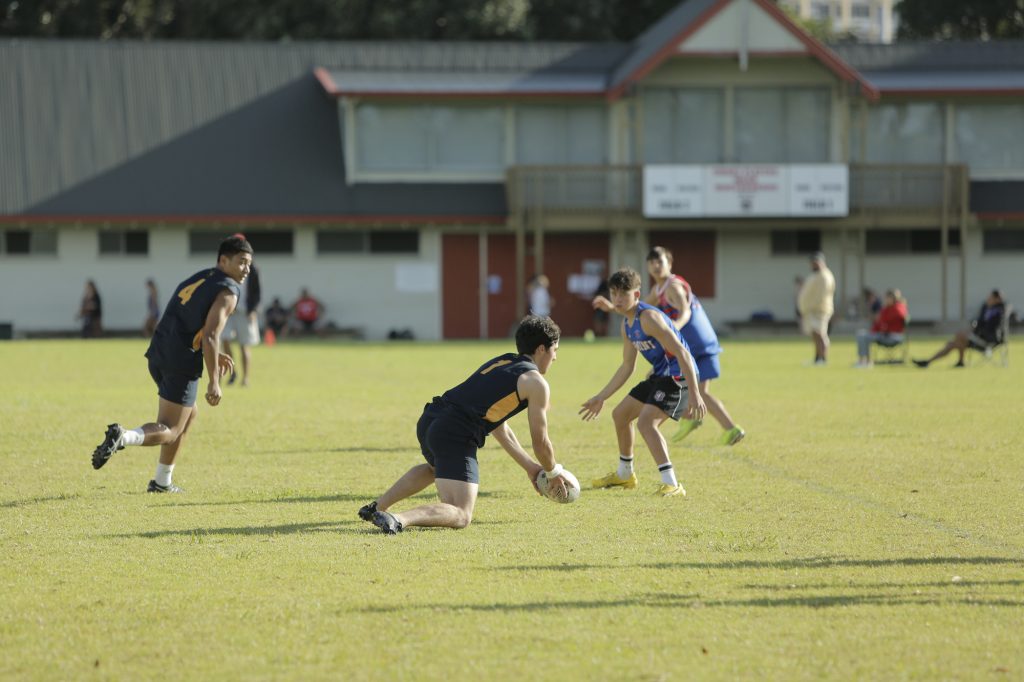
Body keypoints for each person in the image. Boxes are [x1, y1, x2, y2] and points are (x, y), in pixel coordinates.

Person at [358, 315, 568, 534]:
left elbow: (498, 426)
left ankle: (378, 508)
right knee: (461, 513)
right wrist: (553, 472)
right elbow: (541, 441)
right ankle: (398, 519)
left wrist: (532, 468)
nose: (555, 358)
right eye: (556, 350)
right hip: (454, 431)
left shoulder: (504, 361)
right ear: (542, 349)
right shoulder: (535, 383)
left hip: (432, 418)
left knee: (435, 469)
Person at [90, 235, 253, 493]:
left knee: (190, 414)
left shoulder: (201, 277)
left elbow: (191, 322)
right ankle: (123, 436)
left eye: (250, 264)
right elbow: (211, 334)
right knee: (171, 428)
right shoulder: (228, 291)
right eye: (242, 262)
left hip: (159, 351)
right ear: (224, 260)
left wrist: (213, 351)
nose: (246, 269)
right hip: (180, 360)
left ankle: (162, 482)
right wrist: (214, 381)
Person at [580, 267, 707, 497]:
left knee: (646, 423)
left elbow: (683, 353)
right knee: (620, 415)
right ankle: (624, 474)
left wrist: (696, 394)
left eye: (623, 294)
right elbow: (627, 366)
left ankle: (672, 483)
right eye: (614, 294)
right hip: (660, 376)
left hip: (679, 377)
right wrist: (601, 397)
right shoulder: (627, 325)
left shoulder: (648, 318)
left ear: (636, 295)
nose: (617, 299)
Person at [914, 290, 1007, 368]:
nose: (988, 299)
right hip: (980, 337)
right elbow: (980, 322)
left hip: (989, 340)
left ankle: (931, 361)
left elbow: (991, 329)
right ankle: (931, 361)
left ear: (997, 299)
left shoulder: (999, 312)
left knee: (958, 338)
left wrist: (975, 330)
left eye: (990, 298)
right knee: (954, 342)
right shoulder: (986, 309)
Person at [221, 243, 261, 386]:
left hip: (245, 312)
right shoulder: (226, 267)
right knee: (224, 339)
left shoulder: (253, 269)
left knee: (244, 345)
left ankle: (245, 378)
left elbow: (257, 292)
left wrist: (253, 310)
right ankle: (232, 372)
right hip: (229, 311)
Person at [797, 251, 836, 365]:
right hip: (811, 310)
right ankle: (817, 358)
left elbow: (821, 296)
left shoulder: (825, 276)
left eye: (815, 262)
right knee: (815, 334)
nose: (813, 265)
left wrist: (810, 307)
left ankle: (823, 358)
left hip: (820, 310)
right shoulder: (815, 275)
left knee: (820, 334)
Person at [854, 289, 908, 367]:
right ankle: (863, 360)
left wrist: (884, 324)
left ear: (893, 298)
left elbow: (898, 317)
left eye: (887, 298)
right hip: (884, 335)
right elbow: (879, 323)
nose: (885, 300)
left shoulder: (898, 308)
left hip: (893, 336)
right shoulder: (886, 309)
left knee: (863, 336)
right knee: (861, 334)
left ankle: (866, 362)